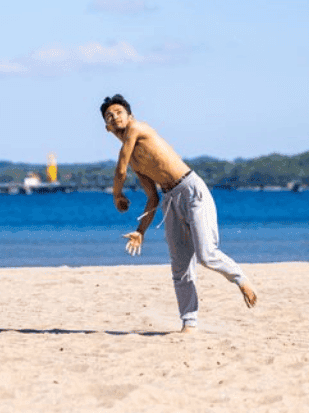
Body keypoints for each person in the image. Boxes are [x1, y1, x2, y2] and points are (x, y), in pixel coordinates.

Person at [101, 94, 256, 333]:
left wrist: (116, 195)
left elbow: (119, 170)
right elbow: (152, 198)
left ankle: (239, 278)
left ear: (129, 116)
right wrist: (141, 231)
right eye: (109, 116)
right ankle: (189, 322)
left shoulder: (136, 128)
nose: (115, 116)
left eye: (119, 112)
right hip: (169, 199)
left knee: (206, 254)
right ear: (107, 127)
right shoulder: (135, 162)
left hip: (191, 189)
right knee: (180, 265)